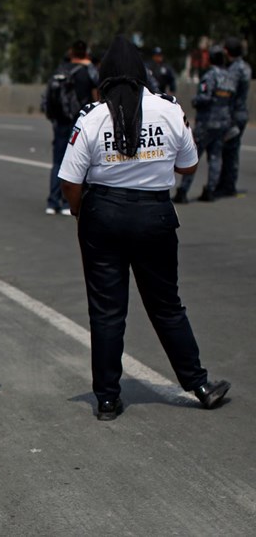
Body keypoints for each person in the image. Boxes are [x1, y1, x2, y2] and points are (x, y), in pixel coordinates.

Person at [58, 35, 230, 421]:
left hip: (103, 215)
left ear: (103, 77)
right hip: (154, 216)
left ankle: (106, 399)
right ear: (143, 74)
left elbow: (69, 181)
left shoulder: (92, 116)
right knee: (167, 306)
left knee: (106, 313)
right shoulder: (169, 110)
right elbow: (188, 167)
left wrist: (79, 213)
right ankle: (199, 384)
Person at [172, 46, 237, 203]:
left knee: (193, 157)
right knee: (215, 157)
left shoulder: (210, 76)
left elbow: (205, 97)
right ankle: (210, 190)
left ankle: (183, 192)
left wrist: (195, 101)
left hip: (207, 123)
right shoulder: (230, 77)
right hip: (223, 123)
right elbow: (233, 100)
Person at [44, 40, 99, 215]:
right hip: (79, 123)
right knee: (77, 164)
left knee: (58, 162)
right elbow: (98, 86)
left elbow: (48, 96)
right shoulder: (87, 71)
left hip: (60, 122)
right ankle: (68, 204)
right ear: (85, 54)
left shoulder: (60, 70)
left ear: (71, 52)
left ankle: (53, 202)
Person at [216, 37, 250, 197]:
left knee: (229, 151)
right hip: (240, 114)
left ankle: (227, 186)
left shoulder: (236, 69)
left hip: (234, 115)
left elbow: (227, 91)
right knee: (231, 150)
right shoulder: (244, 66)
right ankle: (226, 184)